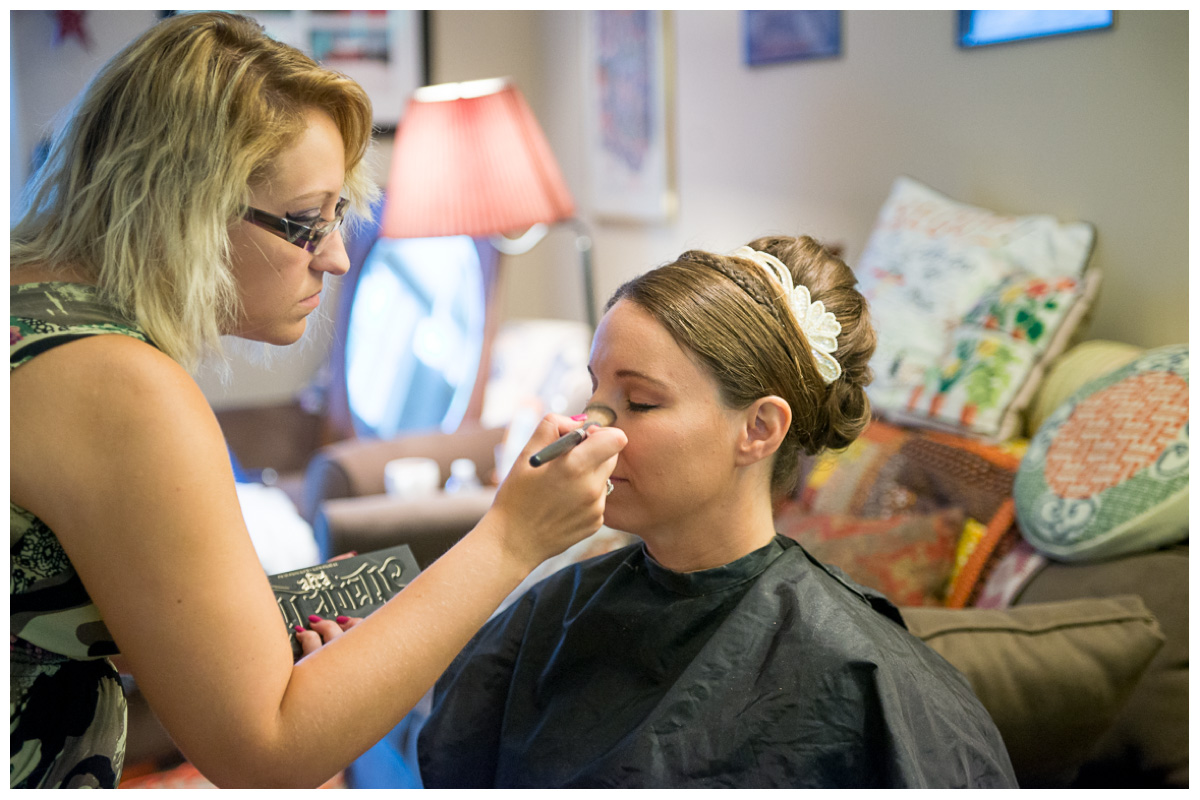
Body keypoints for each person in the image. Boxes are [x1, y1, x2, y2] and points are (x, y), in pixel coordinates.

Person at [9, 12, 625, 789]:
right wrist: (509, 539)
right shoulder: (118, 386)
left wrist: (264, 607)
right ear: (182, 206)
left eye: (338, 218)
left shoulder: (25, 312)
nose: (335, 257)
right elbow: (265, 752)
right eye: (305, 224)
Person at [416, 236, 1019, 788]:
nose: (587, 425)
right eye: (595, 391)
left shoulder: (866, 676)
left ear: (759, 429)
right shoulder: (558, 609)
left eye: (640, 401)